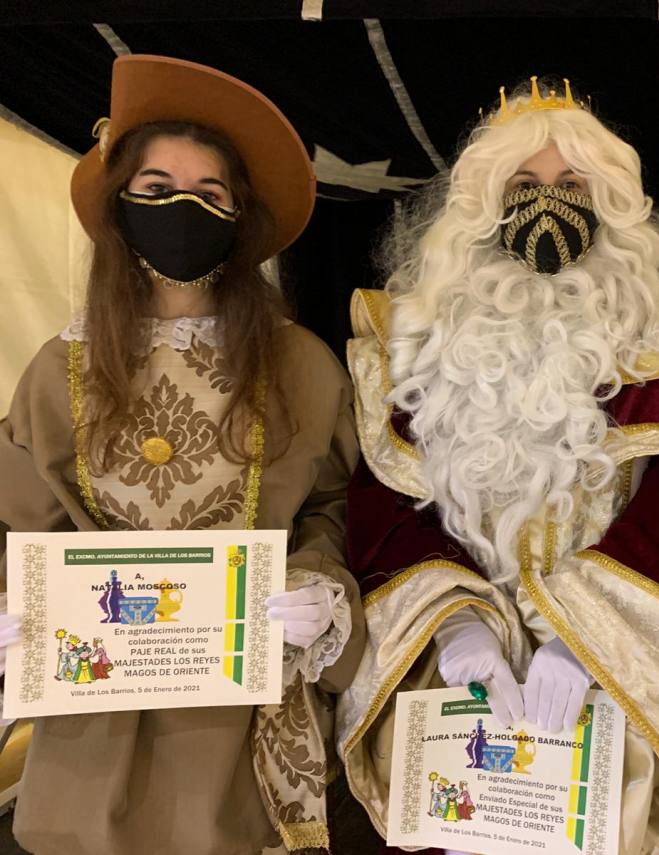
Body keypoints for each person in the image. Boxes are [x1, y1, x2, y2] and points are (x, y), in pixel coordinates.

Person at [336, 77, 659, 854]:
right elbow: (383, 518)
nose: (548, 204)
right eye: (522, 185)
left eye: (572, 185)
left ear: (611, 205)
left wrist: (589, 642)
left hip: (624, 708)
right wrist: (454, 623)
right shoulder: (413, 357)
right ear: (479, 207)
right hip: (465, 715)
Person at [0, 55, 365, 854]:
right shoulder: (60, 368)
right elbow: (19, 520)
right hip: (94, 700)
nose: (183, 208)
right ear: (120, 203)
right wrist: (13, 599)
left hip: (241, 706)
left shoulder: (301, 366)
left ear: (240, 216)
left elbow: (331, 508)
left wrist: (318, 586)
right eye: (158, 187)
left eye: (209, 193)